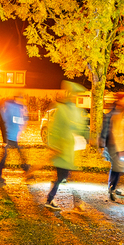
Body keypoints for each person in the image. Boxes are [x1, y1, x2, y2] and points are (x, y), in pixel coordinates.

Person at [44, 81, 91, 211]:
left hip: (69, 150)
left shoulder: (76, 110)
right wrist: (55, 146)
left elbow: (80, 128)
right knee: (64, 176)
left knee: (64, 176)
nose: (76, 97)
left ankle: (65, 200)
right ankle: (61, 200)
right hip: (62, 150)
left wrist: (87, 136)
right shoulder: (62, 109)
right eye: (75, 94)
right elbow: (54, 129)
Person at [0, 93, 29, 184]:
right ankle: (26, 170)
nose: (23, 100)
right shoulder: (12, 107)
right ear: (17, 99)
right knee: (9, 156)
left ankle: (26, 169)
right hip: (9, 135)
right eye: (21, 98)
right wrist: (21, 121)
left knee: (14, 154)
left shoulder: (18, 107)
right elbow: (8, 119)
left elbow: (20, 120)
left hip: (13, 135)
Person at [100, 92, 124, 201]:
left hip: (120, 144)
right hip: (113, 144)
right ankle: (112, 188)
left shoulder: (122, 111)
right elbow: (105, 128)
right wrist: (102, 143)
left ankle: (112, 186)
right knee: (117, 166)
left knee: (118, 167)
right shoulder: (113, 113)